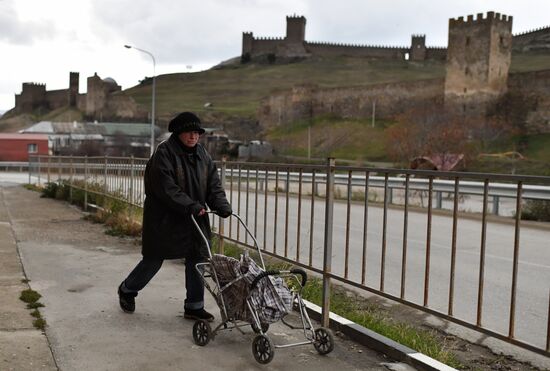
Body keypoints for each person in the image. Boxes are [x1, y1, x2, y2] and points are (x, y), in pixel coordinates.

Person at [117, 111, 232, 321]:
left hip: (194, 218)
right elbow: (166, 189)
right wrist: (190, 205)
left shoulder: (203, 155)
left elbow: (213, 185)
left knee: (197, 259)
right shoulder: (164, 154)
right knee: (153, 260)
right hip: (165, 219)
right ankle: (127, 289)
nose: (193, 136)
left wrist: (221, 205)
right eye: (189, 132)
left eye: (197, 133)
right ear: (178, 133)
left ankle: (194, 306)